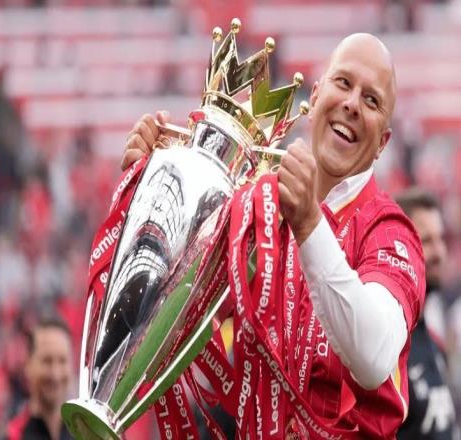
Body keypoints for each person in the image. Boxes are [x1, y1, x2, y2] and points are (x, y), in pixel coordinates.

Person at [121, 33, 425, 438]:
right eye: (343, 83)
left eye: (372, 101)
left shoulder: (390, 233)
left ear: (383, 143)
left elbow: (373, 357)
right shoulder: (256, 208)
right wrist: (149, 199)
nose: (353, 104)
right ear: (314, 97)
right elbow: (170, 316)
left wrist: (309, 225)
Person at [395, 189, 459, 439]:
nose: (440, 252)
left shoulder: (434, 343)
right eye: (428, 241)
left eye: (441, 239)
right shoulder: (389, 345)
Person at [4, 316, 74, 440]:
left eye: (62, 361)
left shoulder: (85, 433)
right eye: (47, 361)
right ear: (28, 365)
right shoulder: (14, 435)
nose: (55, 374)